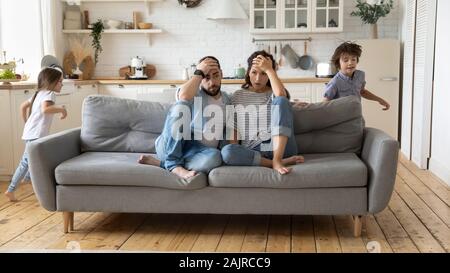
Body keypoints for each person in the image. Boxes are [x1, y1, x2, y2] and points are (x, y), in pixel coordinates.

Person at [138, 56, 232, 179]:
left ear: (221, 74)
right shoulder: (193, 93)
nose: (212, 82)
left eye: (216, 75)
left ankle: (163, 164)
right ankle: (173, 163)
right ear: (200, 78)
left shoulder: (227, 100)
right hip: (172, 146)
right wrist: (199, 72)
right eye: (206, 77)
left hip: (198, 153)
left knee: (215, 157)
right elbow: (183, 96)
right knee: (181, 106)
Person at [221, 51, 304, 175]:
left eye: (264, 73)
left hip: (280, 146)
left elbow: (281, 96)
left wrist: (270, 69)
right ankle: (276, 163)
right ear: (248, 72)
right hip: (255, 150)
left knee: (281, 100)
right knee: (227, 151)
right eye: (254, 72)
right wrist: (236, 149)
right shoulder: (237, 96)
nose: (258, 79)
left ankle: (277, 159)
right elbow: (233, 127)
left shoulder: (276, 93)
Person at [4, 67, 67, 202]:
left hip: (31, 132)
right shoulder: (50, 94)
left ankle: (28, 179)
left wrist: (27, 122)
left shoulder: (38, 93)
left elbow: (23, 106)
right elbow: (46, 109)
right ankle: (11, 189)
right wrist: (62, 109)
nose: (62, 84)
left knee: (34, 159)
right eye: (60, 81)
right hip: (36, 134)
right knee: (26, 162)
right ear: (52, 82)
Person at [324, 41, 390, 110]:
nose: (350, 63)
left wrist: (379, 100)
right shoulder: (335, 82)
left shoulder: (360, 75)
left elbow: (362, 91)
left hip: (356, 115)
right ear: (338, 62)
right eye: (346, 60)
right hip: (340, 118)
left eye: (353, 59)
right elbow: (325, 103)